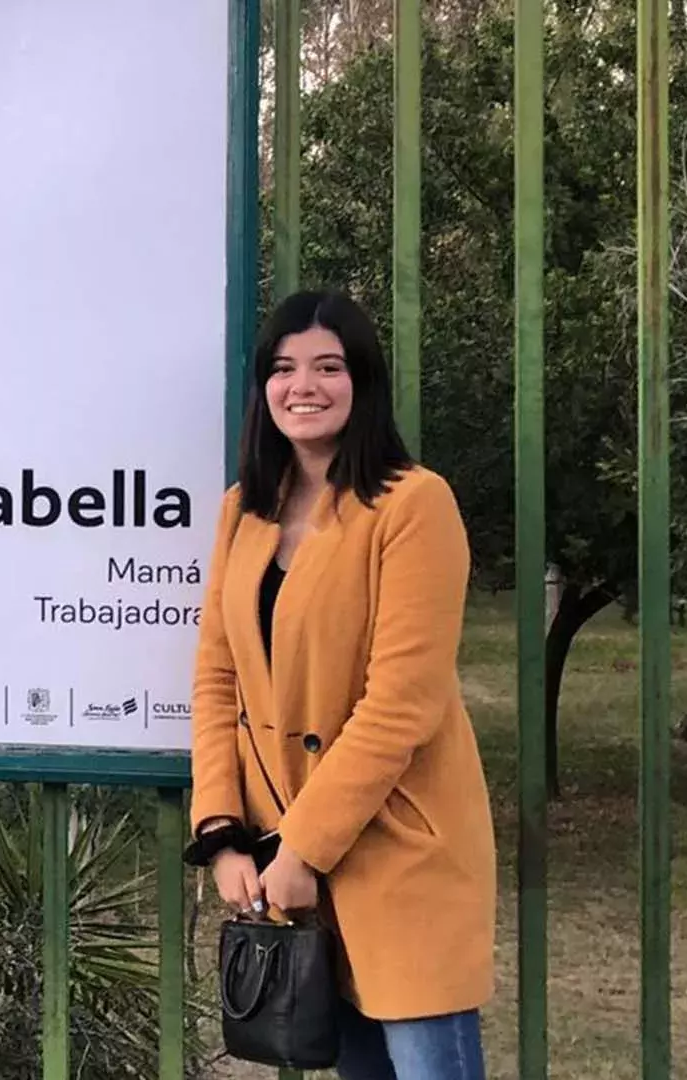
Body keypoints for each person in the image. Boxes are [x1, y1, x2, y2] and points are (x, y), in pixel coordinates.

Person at [183, 289, 496, 1079]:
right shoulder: (242, 512)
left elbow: (403, 702)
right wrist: (222, 832)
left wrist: (304, 848)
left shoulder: (413, 504)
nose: (305, 386)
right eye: (285, 369)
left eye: (329, 366)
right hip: (290, 861)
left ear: (363, 381)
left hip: (398, 847)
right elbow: (218, 679)